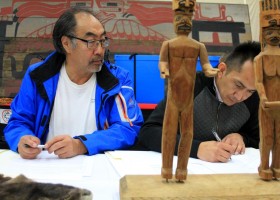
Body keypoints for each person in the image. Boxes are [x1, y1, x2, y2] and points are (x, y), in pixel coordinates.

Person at [4, 7, 143, 159]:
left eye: (103, 41)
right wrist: (21, 139)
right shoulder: (38, 76)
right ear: (67, 44)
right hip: (46, 166)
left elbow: (128, 128)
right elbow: (18, 122)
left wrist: (81, 145)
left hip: (98, 168)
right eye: (91, 42)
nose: (100, 50)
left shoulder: (117, 79)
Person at [136, 41, 261, 163]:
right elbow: (149, 132)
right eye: (238, 85)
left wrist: (241, 137)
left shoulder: (254, 97)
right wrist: (196, 148)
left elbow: (258, 139)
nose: (240, 97)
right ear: (222, 70)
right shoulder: (189, 86)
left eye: (250, 91)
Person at [159, 0, 218, 181]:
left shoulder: (198, 47)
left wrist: (211, 71)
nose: (183, 21)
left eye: (187, 18)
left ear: (192, 21)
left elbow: (206, 66)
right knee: (168, 133)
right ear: (174, 20)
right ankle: (167, 168)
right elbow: (163, 62)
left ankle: (182, 170)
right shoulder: (168, 45)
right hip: (173, 97)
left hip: (187, 99)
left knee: (187, 133)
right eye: (179, 17)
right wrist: (164, 70)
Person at [255, 0, 280, 180]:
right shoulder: (260, 58)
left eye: (277, 31)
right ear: (263, 34)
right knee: (267, 136)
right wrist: (263, 96)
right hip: (267, 105)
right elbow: (258, 81)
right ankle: (264, 166)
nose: (274, 35)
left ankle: (277, 166)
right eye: (270, 31)